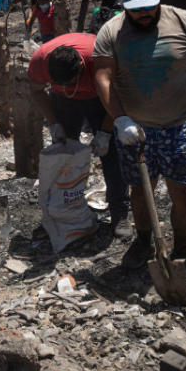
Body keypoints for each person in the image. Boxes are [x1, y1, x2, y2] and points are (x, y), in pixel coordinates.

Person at [93, 0, 186, 273]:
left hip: (181, 124)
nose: (143, 14)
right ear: (125, 5)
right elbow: (102, 76)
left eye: (149, 6)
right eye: (136, 8)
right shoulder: (111, 31)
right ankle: (144, 240)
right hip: (136, 130)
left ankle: (181, 248)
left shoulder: (184, 21)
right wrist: (120, 119)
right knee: (141, 191)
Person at [28, 33, 131, 238]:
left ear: (81, 68)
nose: (69, 87)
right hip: (63, 103)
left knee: (112, 156)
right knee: (62, 155)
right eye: (61, 83)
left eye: (71, 82)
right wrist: (54, 123)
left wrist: (105, 133)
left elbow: (120, 96)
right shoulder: (39, 61)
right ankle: (60, 213)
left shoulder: (99, 58)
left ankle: (120, 213)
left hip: (101, 98)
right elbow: (37, 91)